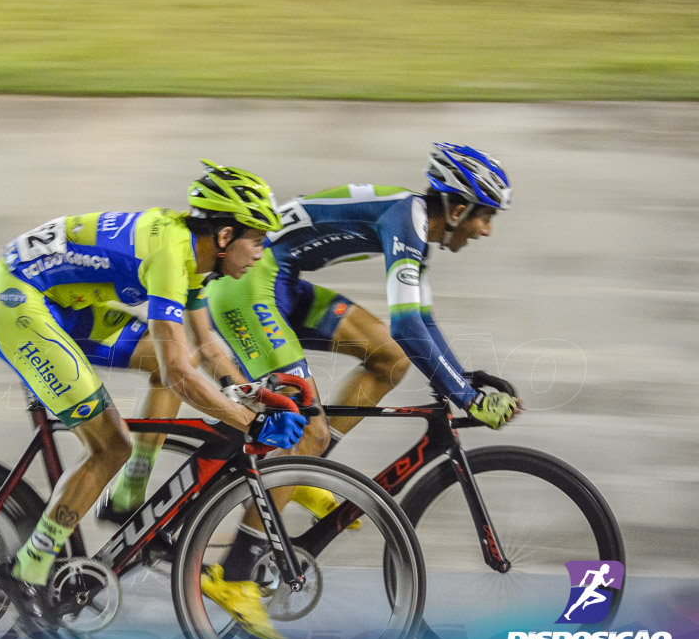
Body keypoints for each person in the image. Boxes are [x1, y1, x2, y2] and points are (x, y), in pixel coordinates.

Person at [0, 160, 306, 639]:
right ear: (226, 235)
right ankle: (27, 569)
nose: (261, 252)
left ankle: (129, 491)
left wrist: (252, 393)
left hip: (59, 302)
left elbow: (206, 347)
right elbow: (179, 376)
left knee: (166, 358)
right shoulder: (172, 258)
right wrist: (246, 423)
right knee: (110, 444)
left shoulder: (194, 253)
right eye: (257, 239)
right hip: (18, 305)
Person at [199, 143, 522, 598]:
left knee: (389, 358)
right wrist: (467, 399)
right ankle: (234, 575)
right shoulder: (405, 221)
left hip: (280, 281)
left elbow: (419, 322)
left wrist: (463, 380)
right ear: (458, 207)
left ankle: (303, 467)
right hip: (246, 287)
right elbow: (409, 324)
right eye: (485, 216)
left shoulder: (411, 222)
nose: (485, 230)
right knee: (306, 430)